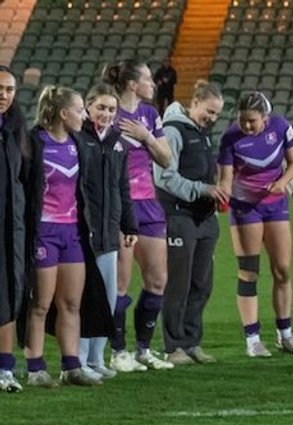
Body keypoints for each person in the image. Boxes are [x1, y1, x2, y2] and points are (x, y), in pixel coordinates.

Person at [21, 86, 111, 387]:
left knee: (72, 302)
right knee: (41, 304)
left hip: (71, 232)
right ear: (63, 113)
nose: (84, 115)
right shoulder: (35, 142)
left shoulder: (76, 143)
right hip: (44, 233)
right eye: (79, 110)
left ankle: (71, 366)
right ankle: (35, 367)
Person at [219, 91, 293, 357]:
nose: (246, 126)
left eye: (252, 121)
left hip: (276, 205)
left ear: (265, 118)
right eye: (243, 120)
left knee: (282, 270)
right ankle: (253, 339)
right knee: (249, 272)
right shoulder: (230, 138)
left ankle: (286, 335)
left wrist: (282, 183)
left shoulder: (281, 127)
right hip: (246, 209)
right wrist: (222, 197)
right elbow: (225, 177)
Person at [104, 59, 175, 371]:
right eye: (147, 78)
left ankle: (143, 349)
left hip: (148, 204)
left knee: (158, 279)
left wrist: (146, 137)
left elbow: (166, 160)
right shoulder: (108, 112)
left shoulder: (150, 114)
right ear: (133, 84)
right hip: (120, 205)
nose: (153, 83)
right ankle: (118, 352)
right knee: (120, 283)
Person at [156, 81, 227, 365]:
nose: (211, 118)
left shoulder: (199, 131)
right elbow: (164, 177)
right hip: (178, 215)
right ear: (194, 102)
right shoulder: (173, 130)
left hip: (204, 218)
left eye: (216, 115)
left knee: (201, 283)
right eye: (209, 111)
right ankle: (173, 346)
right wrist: (203, 189)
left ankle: (191, 341)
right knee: (179, 284)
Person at [75, 84, 138, 379]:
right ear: (88, 107)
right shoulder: (77, 138)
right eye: (101, 107)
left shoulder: (118, 143)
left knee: (108, 298)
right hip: (81, 233)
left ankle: (97, 358)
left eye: (111, 109)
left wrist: (129, 224)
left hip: (109, 233)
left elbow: (123, 188)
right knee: (83, 297)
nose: (106, 114)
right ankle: (77, 359)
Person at [0, 66, 26, 392]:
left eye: (8, 89)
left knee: (8, 296)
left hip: (11, 228)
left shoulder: (15, 131)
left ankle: (5, 369)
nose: (3, 95)